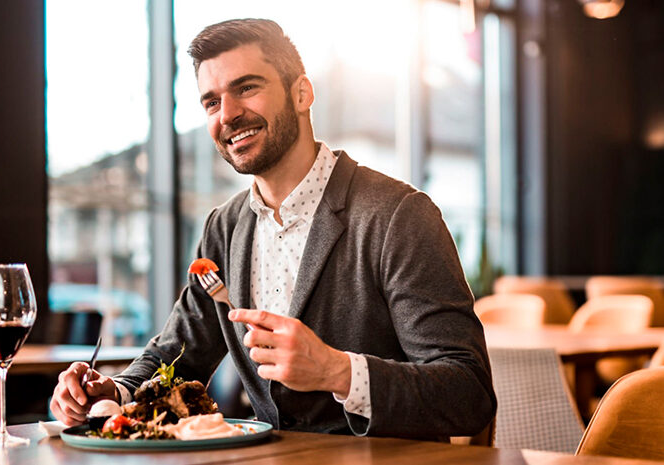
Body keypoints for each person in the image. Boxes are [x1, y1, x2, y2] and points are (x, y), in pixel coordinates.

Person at [51, 18, 496, 440]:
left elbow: (468, 393)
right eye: (211, 101)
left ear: (302, 92)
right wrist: (115, 391)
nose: (227, 114)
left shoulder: (400, 215)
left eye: (247, 87)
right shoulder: (223, 228)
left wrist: (338, 370)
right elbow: (178, 353)